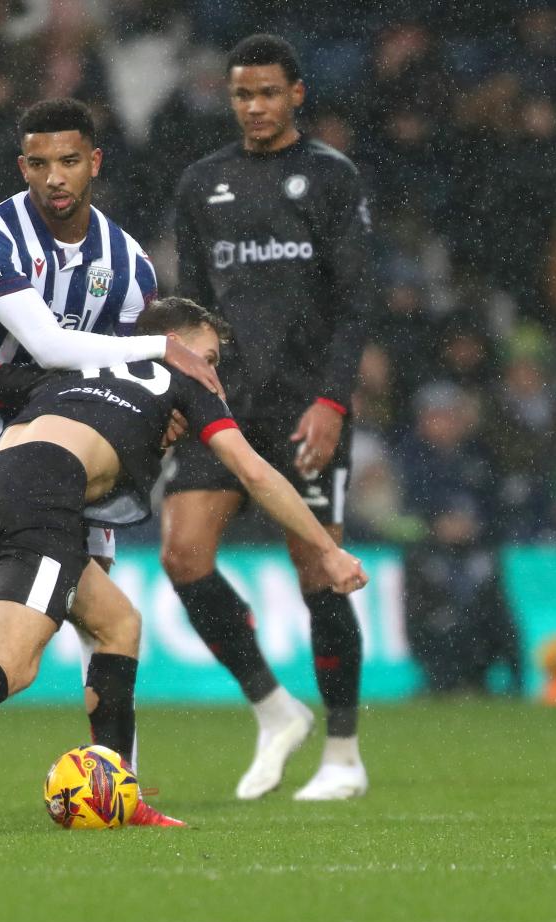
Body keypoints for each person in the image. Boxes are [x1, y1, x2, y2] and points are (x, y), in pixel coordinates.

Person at [0, 297, 367, 832]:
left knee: (119, 624)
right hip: (43, 494)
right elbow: (256, 474)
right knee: (14, 663)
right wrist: (327, 551)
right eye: (210, 355)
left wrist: (60, 391)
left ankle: (118, 789)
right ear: (176, 341)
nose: (213, 370)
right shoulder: (186, 381)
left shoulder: (80, 365)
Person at [0, 98, 219, 764]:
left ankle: (116, 775)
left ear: (93, 161)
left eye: (69, 161)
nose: (54, 178)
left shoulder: (130, 265)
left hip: (71, 451)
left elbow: (117, 379)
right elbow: (45, 341)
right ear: (22, 166)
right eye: (38, 164)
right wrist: (163, 353)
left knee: (106, 622)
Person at [163, 34, 380, 801]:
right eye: (241, 95)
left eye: (266, 93)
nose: (253, 107)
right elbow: (192, 310)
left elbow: (356, 305)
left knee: (321, 567)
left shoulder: (328, 177)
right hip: (225, 404)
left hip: (303, 404)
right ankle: (272, 705)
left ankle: (345, 757)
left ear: (296, 94)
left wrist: (331, 402)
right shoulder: (202, 183)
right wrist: (184, 393)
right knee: (182, 555)